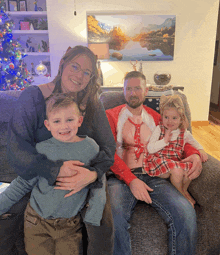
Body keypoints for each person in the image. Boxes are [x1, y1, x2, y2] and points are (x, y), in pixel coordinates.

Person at [4, 46, 116, 255]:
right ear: (63, 63)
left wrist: (91, 175)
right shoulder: (33, 97)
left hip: (85, 177)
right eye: (75, 66)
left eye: (86, 72)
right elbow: (16, 148)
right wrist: (54, 171)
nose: (79, 75)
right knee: (8, 215)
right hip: (37, 174)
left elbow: (108, 147)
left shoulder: (91, 103)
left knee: (102, 219)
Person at [106, 71, 203, 255]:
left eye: (137, 88)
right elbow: (107, 153)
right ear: (123, 91)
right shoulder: (110, 115)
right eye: (129, 89)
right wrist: (130, 180)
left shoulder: (158, 117)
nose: (133, 93)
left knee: (186, 213)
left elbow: (179, 137)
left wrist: (195, 154)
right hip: (120, 178)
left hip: (154, 175)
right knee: (114, 218)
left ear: (146, 90)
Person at [0, 94, 107, 254]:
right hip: (36, 223)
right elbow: (22, 183)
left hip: (70, 226)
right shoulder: (41, 149)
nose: (64, 126)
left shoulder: (91, 148)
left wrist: (94, 213)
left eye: (69, 120)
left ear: (79, 120)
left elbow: (99, 180)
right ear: (48, 125)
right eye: (57, 121)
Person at [143, 94, 208, 207]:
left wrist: (201, 150)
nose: (169, 121)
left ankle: (184, 190)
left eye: (174, 118)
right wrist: (164, 141)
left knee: (189, 169)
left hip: (175, 163)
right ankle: (183, 195)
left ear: (181, 119)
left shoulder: (184, 133)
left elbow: (194, 143)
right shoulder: (159, 129)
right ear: (162, 116)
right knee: (177, 171)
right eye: (166, 117)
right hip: (159, 163)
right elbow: (150, 148)